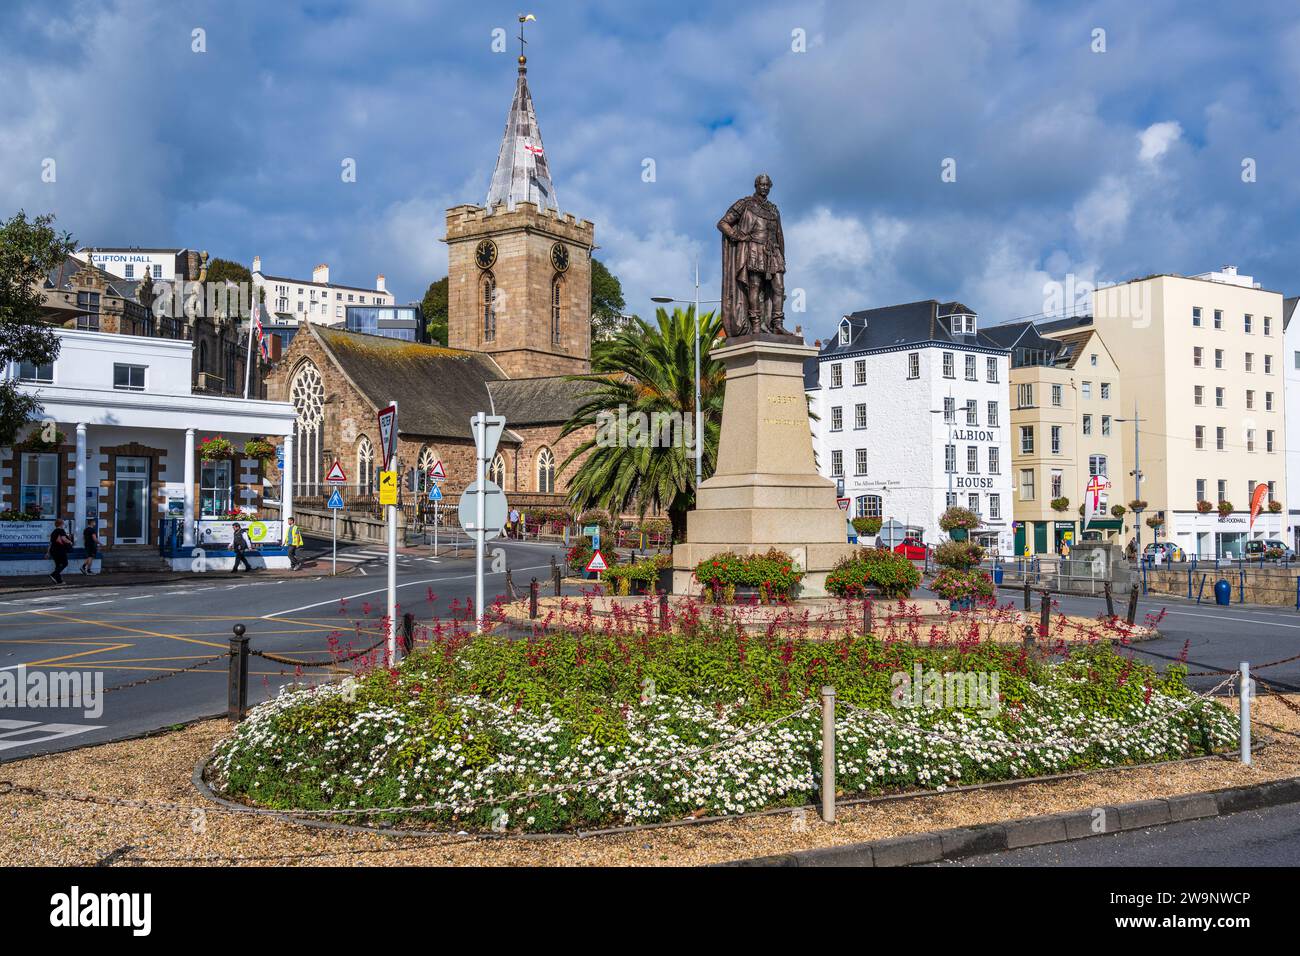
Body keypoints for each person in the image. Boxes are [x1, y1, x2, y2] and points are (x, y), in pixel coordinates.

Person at [47, 519, 73, 584]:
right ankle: (53, 574)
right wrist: (70, 542)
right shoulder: (61, 530)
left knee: (58, 565)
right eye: (63, 523)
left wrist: (48, 552)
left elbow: (50, 543)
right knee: (65, 563)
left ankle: (59, 581)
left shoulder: (53, 532)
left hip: (53, 550)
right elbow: (63, 539)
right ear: (61, 524)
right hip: (60, 550)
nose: (63, 525)